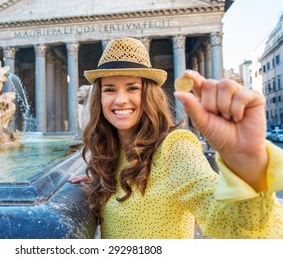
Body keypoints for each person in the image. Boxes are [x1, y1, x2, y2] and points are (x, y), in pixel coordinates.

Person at [69, 37, 283, 238]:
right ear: (100, 98)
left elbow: (231, 224)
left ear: (149, 94)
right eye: (109, 89)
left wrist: (247, 167)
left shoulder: (174, 147)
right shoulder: (111, 155)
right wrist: (101, 180)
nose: (120, 100)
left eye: (133, 88)